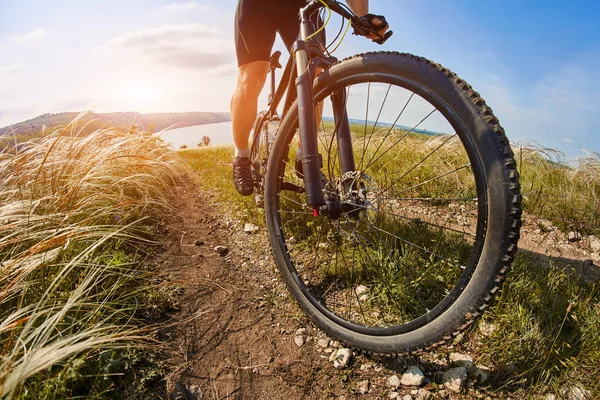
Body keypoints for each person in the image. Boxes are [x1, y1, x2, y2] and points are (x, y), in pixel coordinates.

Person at [231, 0, 388, 196]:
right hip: (258, 6)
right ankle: (242, 156)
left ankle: (305, 156)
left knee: (316, 71)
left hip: (304, 5)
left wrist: (362, 16)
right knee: (251, 79)